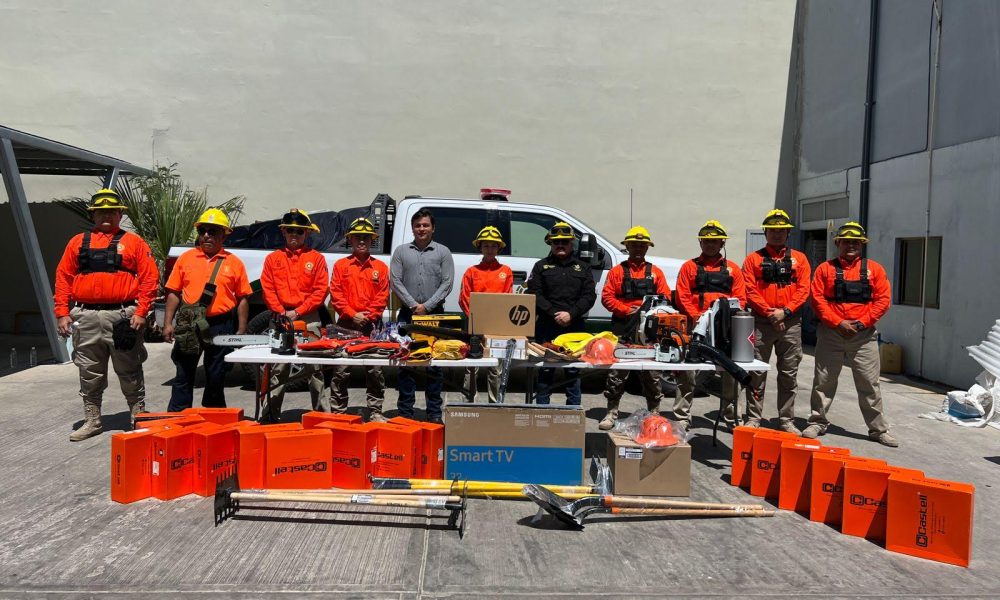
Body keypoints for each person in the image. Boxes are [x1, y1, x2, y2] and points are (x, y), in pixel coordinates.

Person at [54, 188, 159, 441]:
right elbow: (63, 277)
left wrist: (142, 311)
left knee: (129, 367)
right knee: (89, 370)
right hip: (85, 316)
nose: (107, 216)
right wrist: (62, 313)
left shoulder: (134, 242)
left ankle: (138, 416)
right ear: (93, 215)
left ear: (120, 214)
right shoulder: (77, 242)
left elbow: (149, 278)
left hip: (123, 316)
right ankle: (93, 420)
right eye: (101, 211)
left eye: (112, 211)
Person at [803, 222, 897, 447]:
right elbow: (817, 299)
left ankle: (878, 430)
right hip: (831, 332)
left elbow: (883, 300)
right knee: (823, 381)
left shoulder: (875, 270)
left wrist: (862, 323)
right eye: (846, 241)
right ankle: (817, 421)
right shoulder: (825, 269)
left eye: (856, 242)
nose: (851, 245)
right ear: (838, 243)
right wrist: (837, 322)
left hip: (863, 336)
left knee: (869, 383)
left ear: (862, 244)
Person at [163, 209, 251, 411]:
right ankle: (178, 415)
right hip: (189, 324)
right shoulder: (186, 258)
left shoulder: (234, 263)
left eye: (213, 231)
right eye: (202, 231)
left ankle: (214, 415)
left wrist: (241, 329)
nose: (206, 236)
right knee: (183, 372)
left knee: (216, 374)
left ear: (223, 235)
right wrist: (168, 324)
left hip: (220, 325)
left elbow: (243, 298)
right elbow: (174, 293)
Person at [741, 209, 811, 434]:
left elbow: (804, 289)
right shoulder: (753, 259)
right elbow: (749, 289)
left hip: (790, 324)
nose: (777, 234)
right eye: (773, 230)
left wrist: (785, 312)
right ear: (766, 232)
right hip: (761, 323)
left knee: (789, 374)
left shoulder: (800, 259)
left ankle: (786, 420)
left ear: (788, 232)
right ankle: (753, 417)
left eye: (782, 230)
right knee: (756, 373)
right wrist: (770, 313)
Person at [672, 220, 747, 429]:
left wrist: (725, 318)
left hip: (724, 329)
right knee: (687, 371)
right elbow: (682, 295)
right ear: (701, 242)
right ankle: (682, 417)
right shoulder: (689, 267)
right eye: (706, 241)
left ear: (722, 243)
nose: (710, 244)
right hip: (694, 326)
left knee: (730, 371)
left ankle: (731, 417)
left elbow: (740, 298)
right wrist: (696, 316)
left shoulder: (733, 269)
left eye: (714, 241)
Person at [258, 209, 331, 423]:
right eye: (290, 230)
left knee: (315, 369)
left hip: (309, 318)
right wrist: (282, 312)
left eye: (299, 231)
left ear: (306, 233)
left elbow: (320, 291)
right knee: (278, 369)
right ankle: (270, 415)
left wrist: (298, 312)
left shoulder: (316, 258)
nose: (294, 235)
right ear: (283, 232)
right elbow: (267, 288)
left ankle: (321, 415)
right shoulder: (273, 259)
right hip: (280, 317)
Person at [599, 226, 671, 430]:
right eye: (634, 245)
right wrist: (625, 309)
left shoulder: (656, 273)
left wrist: (649, 312)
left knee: (652, 374)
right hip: (623, 327)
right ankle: (611, 412)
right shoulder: (617, 271)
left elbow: (665, 297)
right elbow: (607, 297)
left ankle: (654, 413)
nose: (638, 248)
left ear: (647, 247)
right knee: (617, 372)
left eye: (642, 245)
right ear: (627, 246)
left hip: (649, 331)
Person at [389, 209, 454, 423]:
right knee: (406, 362)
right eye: (418, 225)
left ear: (433, 228)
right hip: (407, 314)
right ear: (412, 228)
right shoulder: (401, 252)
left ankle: (434, 412)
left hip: (435, 314)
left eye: (426, 225)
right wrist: (413, 305)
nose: (421, 229)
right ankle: (405, 412)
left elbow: (447, 283)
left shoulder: (443, 252)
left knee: (434, 363)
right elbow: (395, 280)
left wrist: (427, 306)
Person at [526, 222, 597, 405]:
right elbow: (534, 293)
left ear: (571, 243)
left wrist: (571, 314)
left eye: (564, 241)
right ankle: (542, 411)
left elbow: (589, 296)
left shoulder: (584, 267)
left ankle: (573, 412)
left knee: (573, 371)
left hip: (574, 326)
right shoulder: (540, 266)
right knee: (545, 370)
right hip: (547, 325)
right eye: (556, 242)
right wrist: (554, 313)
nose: (560, 245)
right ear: (550, 243)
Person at [330, 218, 390, 422]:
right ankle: (338, 412)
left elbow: (383, 296)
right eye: (357, 237)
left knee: (375, 370)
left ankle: (375, 411)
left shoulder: (380, 267)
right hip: (346, 325)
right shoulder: (341, 266)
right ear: (350, 240)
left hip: (372, 326)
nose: (362, 241)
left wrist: (368, 315)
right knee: (341, 369)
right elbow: (336, 294)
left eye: (366, 237)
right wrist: (352, 314)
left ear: (372, 240)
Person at [459, 226, 514, 402]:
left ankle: (495, 404)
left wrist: (494, 322)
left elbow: (508, 299)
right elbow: (464, 298)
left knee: (495, 367)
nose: (490, 249)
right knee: (471, 366)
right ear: (480, 247)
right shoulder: (471, 271)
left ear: (499, 248)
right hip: (474, 326)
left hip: (497, 328)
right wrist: (478, 321)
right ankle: (469, 403)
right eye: (486, 246)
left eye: (493, 246)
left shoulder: (506, 271)